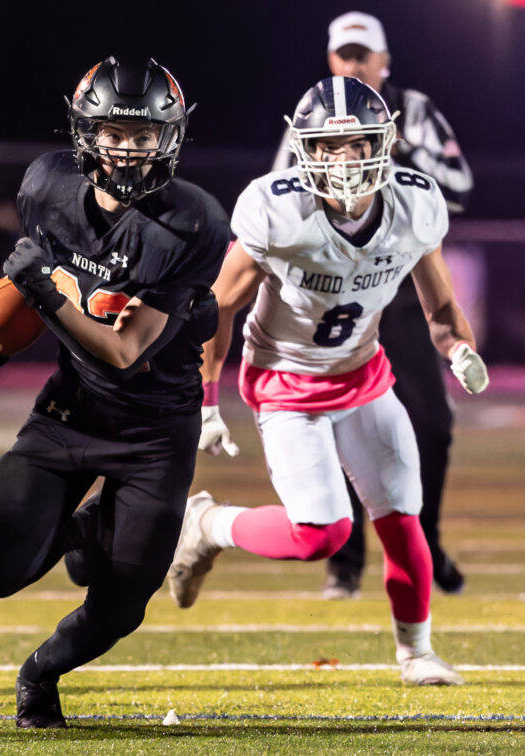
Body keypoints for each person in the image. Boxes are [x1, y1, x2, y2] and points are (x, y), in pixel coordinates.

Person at [169, 76, 489, 686]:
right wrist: (207, 401)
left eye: (358, 143)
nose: (344, 161)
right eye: (327, 147)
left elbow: (441, 308)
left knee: (402, 516)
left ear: (385, 142)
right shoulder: (277, 209)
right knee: (320, 534)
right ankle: (207, 524)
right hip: (287, 383)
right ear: (304, 150)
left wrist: (458, 350)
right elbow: (218, 307)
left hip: (365, 375)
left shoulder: (413, 206)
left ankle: (416, 653)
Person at [0, 56, 229, 727]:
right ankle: (82, 528)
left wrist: (41, 294)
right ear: (82, 131)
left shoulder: (192, 223)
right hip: (71, 409)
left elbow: (126, 350)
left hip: (155, 431)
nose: (128, 150)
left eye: (143, 136)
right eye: (113, 132)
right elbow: (28, 279)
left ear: (172, 138)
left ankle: (40, 673)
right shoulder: (45, 187)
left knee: (120, 607)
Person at [271, 11, 475, 599]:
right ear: (333, 60)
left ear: (385, 62)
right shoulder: (312, 111)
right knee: (338, 422)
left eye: (364, 55)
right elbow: (281, 194)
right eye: (345, 55)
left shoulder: (413, 109)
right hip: (336, 289)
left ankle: (425, 543)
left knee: (432, 427)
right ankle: (346, 560)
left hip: (402, 285)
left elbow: (459, 186)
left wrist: (392, 161)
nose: (354, 65)